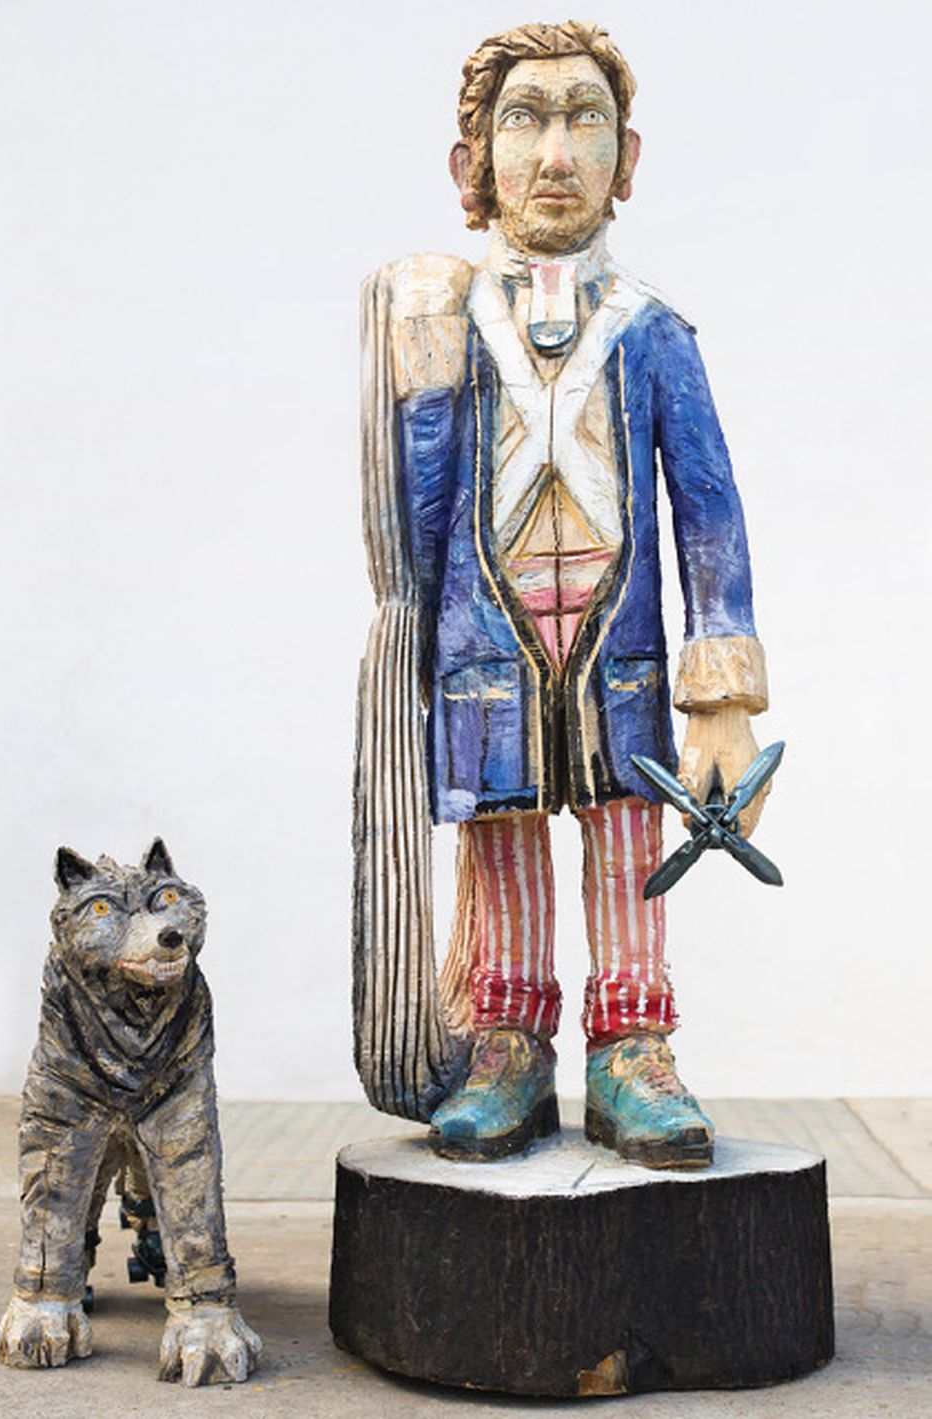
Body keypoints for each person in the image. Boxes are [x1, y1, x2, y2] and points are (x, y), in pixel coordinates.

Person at [354, 21, 771, 1168]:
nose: (553, 153)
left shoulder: (653, 334)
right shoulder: (439, 328)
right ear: (470, 164)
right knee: (500, 834)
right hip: (483, 643)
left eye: (583, 119)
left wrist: (723, 699)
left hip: (617, 646)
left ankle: (633, 1044)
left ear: (625, 159)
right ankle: (507, 1041)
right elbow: (411, 510)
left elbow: (710, 511)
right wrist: (408, 648)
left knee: (629, 827)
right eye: (524, 119)